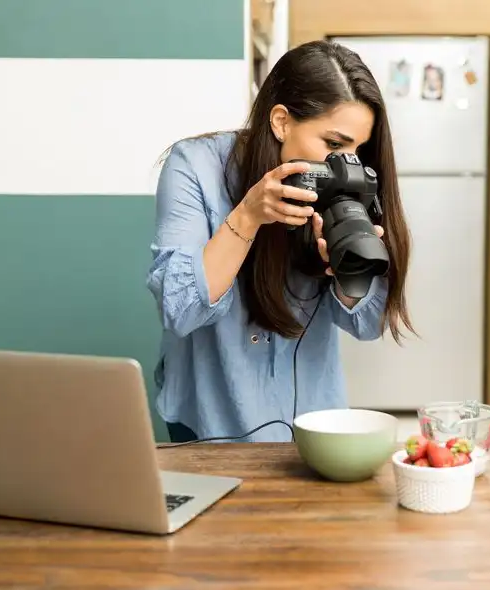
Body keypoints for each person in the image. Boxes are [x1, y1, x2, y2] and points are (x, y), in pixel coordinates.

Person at [146, 40, 415, 444]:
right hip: (207, 418)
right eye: (334, 145)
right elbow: (180, 309)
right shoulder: (195, 166)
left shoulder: (349, 186)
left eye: (359, 149)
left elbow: (368, 323)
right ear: (281, 122)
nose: (347, 163)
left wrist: (344, 267)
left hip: (310, 419)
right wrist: (248, 216)